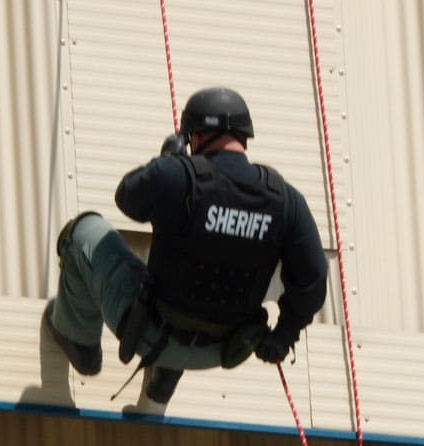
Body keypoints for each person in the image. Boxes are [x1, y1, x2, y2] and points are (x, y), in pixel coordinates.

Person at [44, 86, 328, 409]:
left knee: (83, 230)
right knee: (191, 288)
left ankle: (80, 346)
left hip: (154, 334)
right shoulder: (286, 200)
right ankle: (160, 386)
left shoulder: (180, 176)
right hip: (222, 349)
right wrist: (283, 337)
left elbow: (127, 197)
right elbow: (314, 280)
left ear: (197, 135)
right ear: (244, 135)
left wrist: (168, 161)